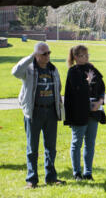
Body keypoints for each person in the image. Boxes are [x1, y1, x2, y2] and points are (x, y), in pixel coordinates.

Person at [11, 42, 65, 189]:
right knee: (32, 148)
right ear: (36, 55)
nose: (48, 56)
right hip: (34, 112)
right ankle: (32, 180)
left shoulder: (53, 69)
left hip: (51, 112)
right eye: (44, 53)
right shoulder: (28, 70)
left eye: (49, 53)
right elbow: (15, 72)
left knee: (51, 148)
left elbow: (58, 86)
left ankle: (51, 177)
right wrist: (30, 58)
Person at [64, 45, 106, 181]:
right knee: (77, 143)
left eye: (87, 55)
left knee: (90, 143)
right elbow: (78, 90)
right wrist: (87, 81)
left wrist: (99, 102)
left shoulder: (92, 68)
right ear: (76, 57)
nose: (86, 58)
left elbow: (101, 87)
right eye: (83, 55)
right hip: (79, 112)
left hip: (94, 112)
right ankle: (77, 173)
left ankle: (88, 172)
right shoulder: (73, 71)